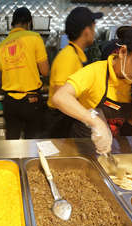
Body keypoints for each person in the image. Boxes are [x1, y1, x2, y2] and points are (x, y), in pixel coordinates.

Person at [52, 22, 132, 154]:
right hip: (81, 145)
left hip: (108, 147)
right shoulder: (95, 71)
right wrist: (95, 122)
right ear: (123, 52)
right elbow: (60, 97)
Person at [45, 7, 103, 138]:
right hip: (60, 119)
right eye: (93, 28)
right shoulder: (68, 57)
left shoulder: (78, 54)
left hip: (68, 117)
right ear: (87, 31)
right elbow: (61, 95)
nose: (94, 33)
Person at [0, 7, 49, 139]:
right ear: (29, 22)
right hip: (31, 101)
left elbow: (6, 71)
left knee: (12, 143)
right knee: (32, 144)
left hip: (10, 102)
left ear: (12, 23)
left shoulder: (0, 46)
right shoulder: (35, 38)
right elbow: (45, 71)